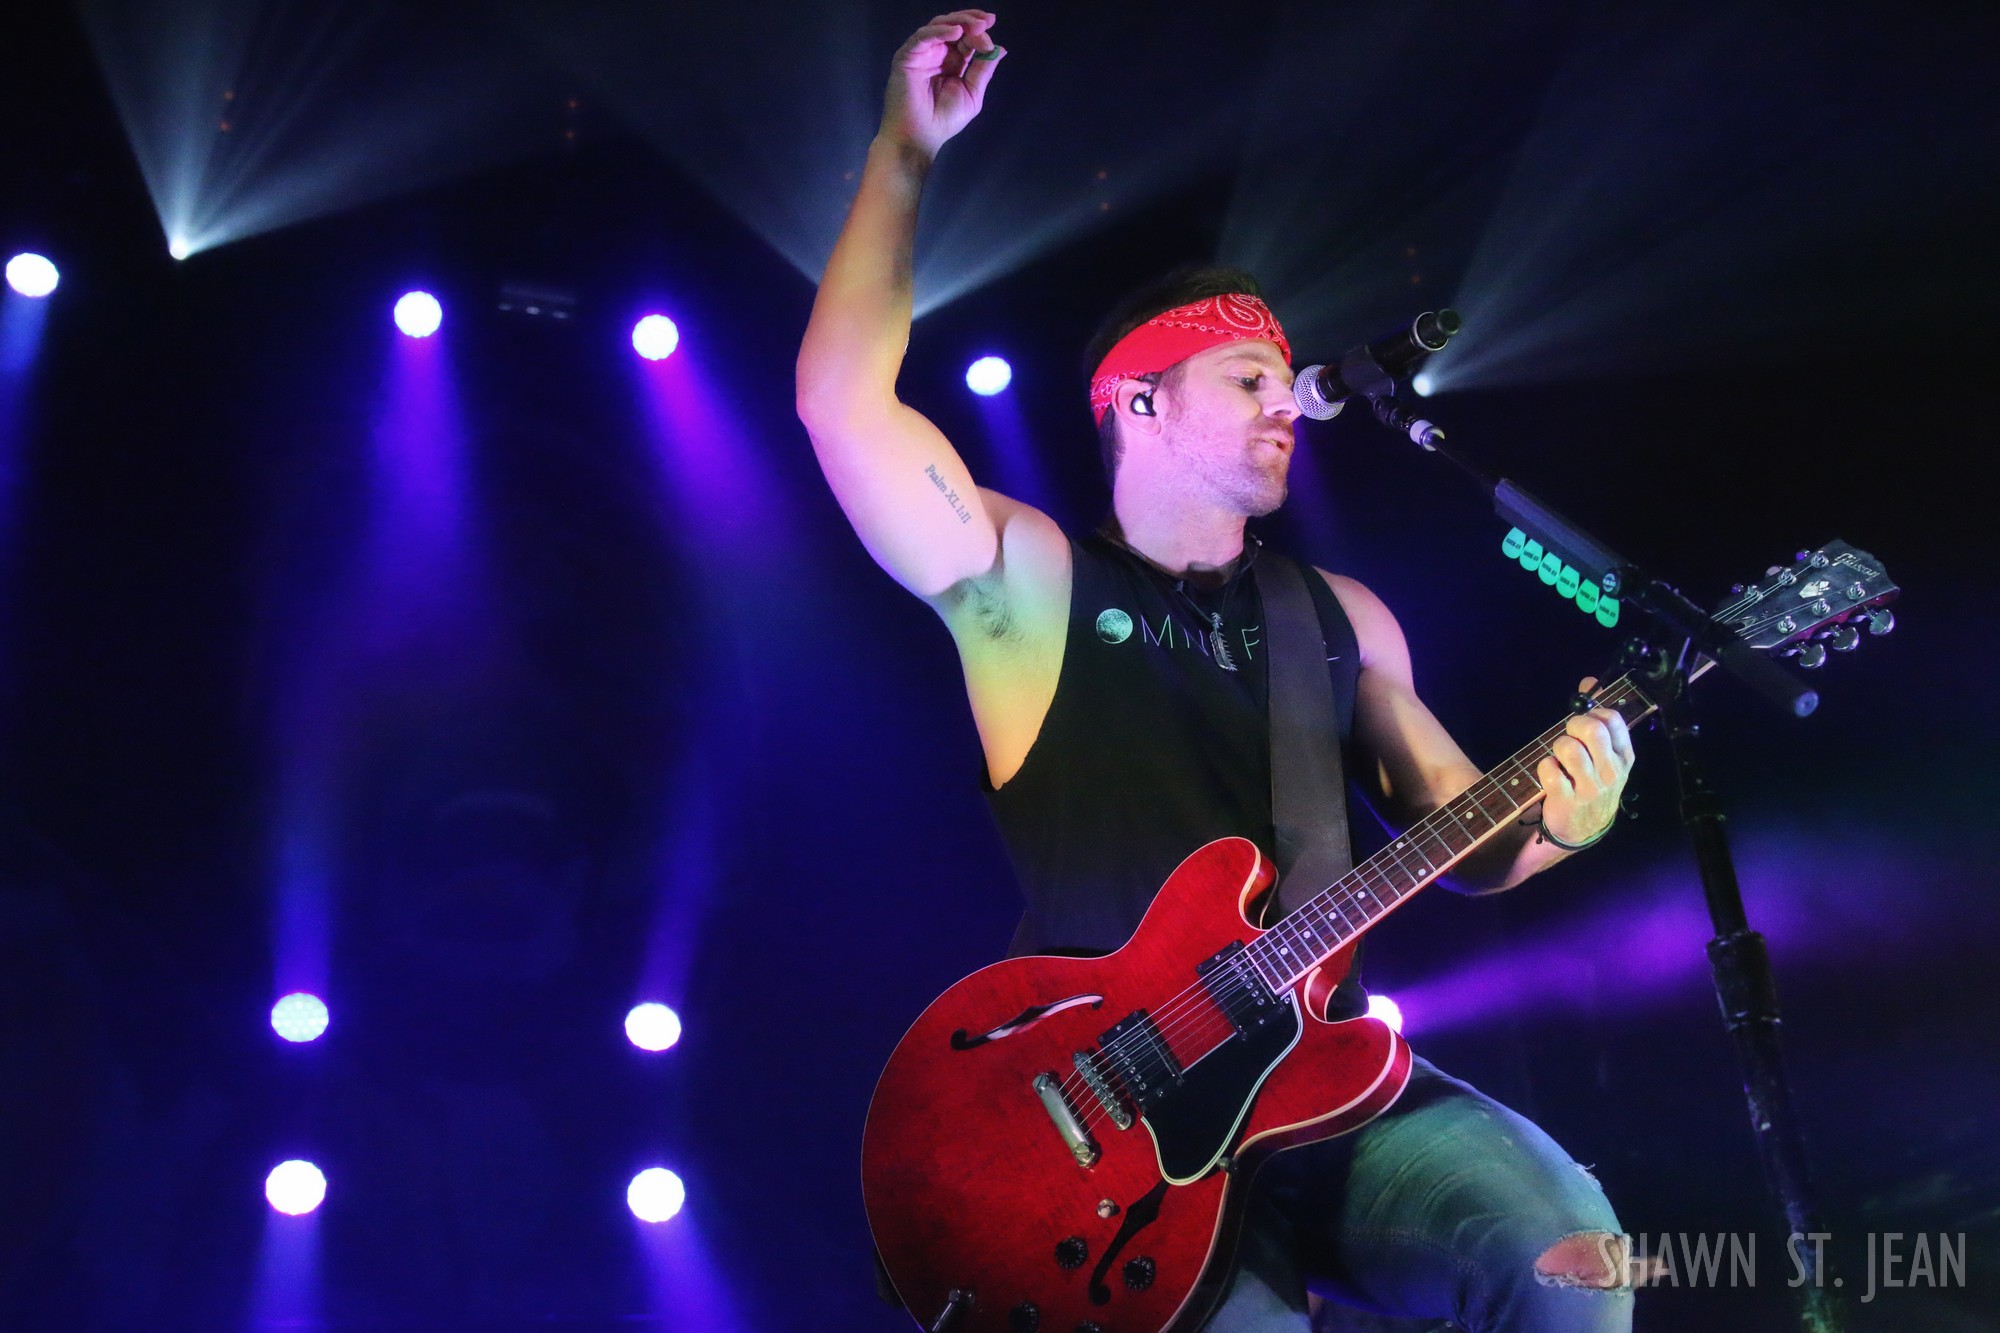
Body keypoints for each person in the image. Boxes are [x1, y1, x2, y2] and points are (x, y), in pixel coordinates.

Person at [796, 11, 1638, 1330]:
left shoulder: (1342, 615)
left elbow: (1465, 833)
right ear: (1140, 403)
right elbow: (843, 403)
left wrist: (1564, 822)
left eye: (1285, 379)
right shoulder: (1030, 583)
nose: (1285, 403)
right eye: (1249, 378)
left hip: (1324, 1080)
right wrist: (905, 152)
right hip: (1103, 1128)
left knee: (1568, 1256)